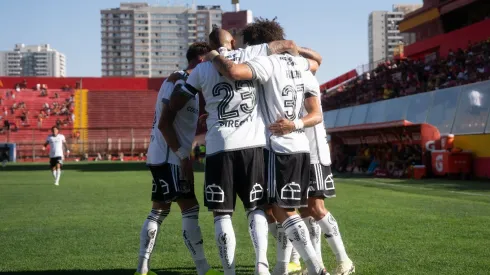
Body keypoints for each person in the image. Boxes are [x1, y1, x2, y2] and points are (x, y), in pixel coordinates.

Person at [181, 26, 310, 275]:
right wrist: (293, 65)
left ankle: (229, 272)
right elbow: (286, 44)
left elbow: (183, 96)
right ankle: (261, 265)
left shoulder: (201, 68)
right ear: (231, 41)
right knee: (257, 209)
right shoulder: (252, 53)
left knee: (222, 214)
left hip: (219, 146)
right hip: (253, 145)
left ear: (209, 46)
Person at [209, 42, 327, 275]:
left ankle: (315, 267)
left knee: (281, 211)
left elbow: (232, 71)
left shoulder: (268, 62)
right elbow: (317, 110)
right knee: (285, 209)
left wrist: (214, 53)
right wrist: (295, 123)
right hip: (301, 146)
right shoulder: (303, 65)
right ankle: (285, 266)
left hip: (279, 147)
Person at [135, 42, 219, 275]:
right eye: (211, 60)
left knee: (159, 211)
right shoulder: (180, 80)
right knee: (189, 208)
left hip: (161, 156)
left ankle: (142, 269)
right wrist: (182, 155)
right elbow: (164, 122)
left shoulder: (181, 81)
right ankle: (203, 269)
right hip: (170, 157)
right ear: (202, 61)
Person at [284, 71, 355, 275]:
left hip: (314, 151)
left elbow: (316, 59)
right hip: (297, 151)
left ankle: (344, 260)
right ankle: (315, 265)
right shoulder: (285, 76)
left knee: (316, 208)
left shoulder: (305, 76)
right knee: (305, 211)